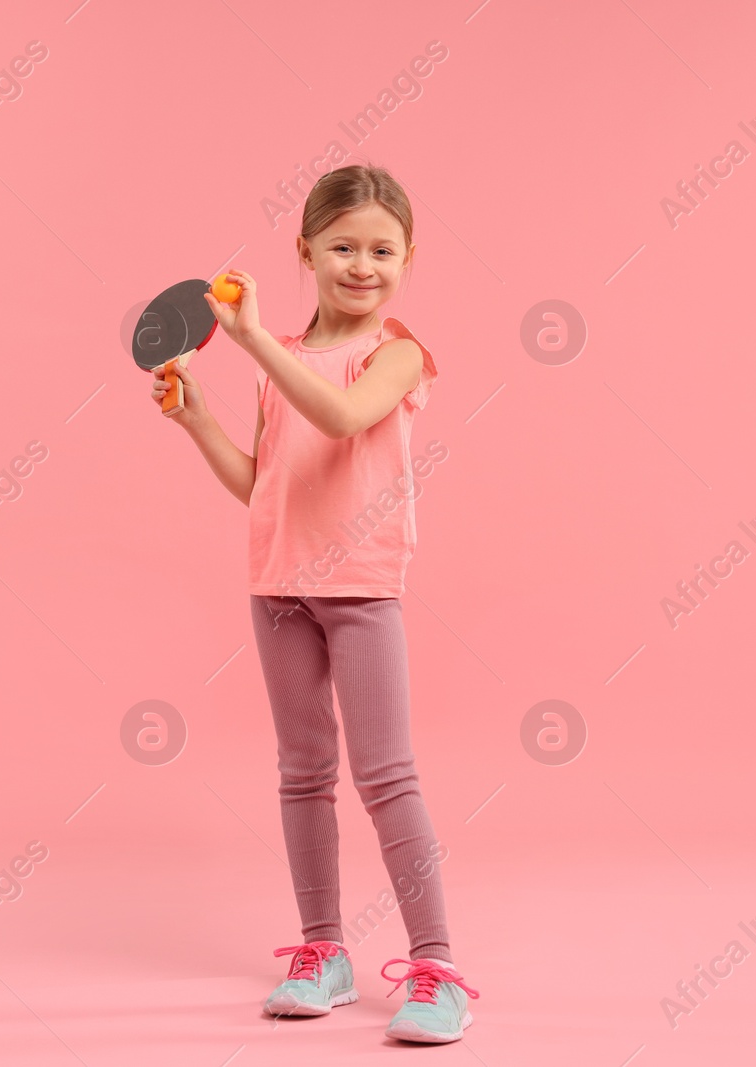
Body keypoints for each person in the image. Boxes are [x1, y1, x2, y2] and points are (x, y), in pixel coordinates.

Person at [149, 163, 478, 1044]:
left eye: (382, 249)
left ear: (409, 258)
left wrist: (253, 342)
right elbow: (261, 484)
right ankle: (322, 954)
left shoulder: (399, 352)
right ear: (305, 252)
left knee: (386, 775)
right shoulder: (277, 362)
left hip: (362, 588)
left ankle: (437, 967)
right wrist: (198, 421)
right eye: (342, 246)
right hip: (279, 588)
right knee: (303, 773)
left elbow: (339, 418)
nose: (362, 265)